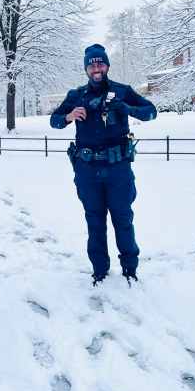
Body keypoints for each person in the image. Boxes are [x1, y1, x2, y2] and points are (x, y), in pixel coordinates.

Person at [50, 44, 157, 286]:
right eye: (92, 64)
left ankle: (130, 268)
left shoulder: (122, 91)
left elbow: (151, 111)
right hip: (87, 170)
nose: (96, 68)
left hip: (118, 169)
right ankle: (99, 270)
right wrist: (68, 116)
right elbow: (54, 121)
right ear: (86, 68)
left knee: (123, 219)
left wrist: (127, 108)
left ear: (107, 66)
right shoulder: (76, 95)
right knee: (94, 221)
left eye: (100, 63)